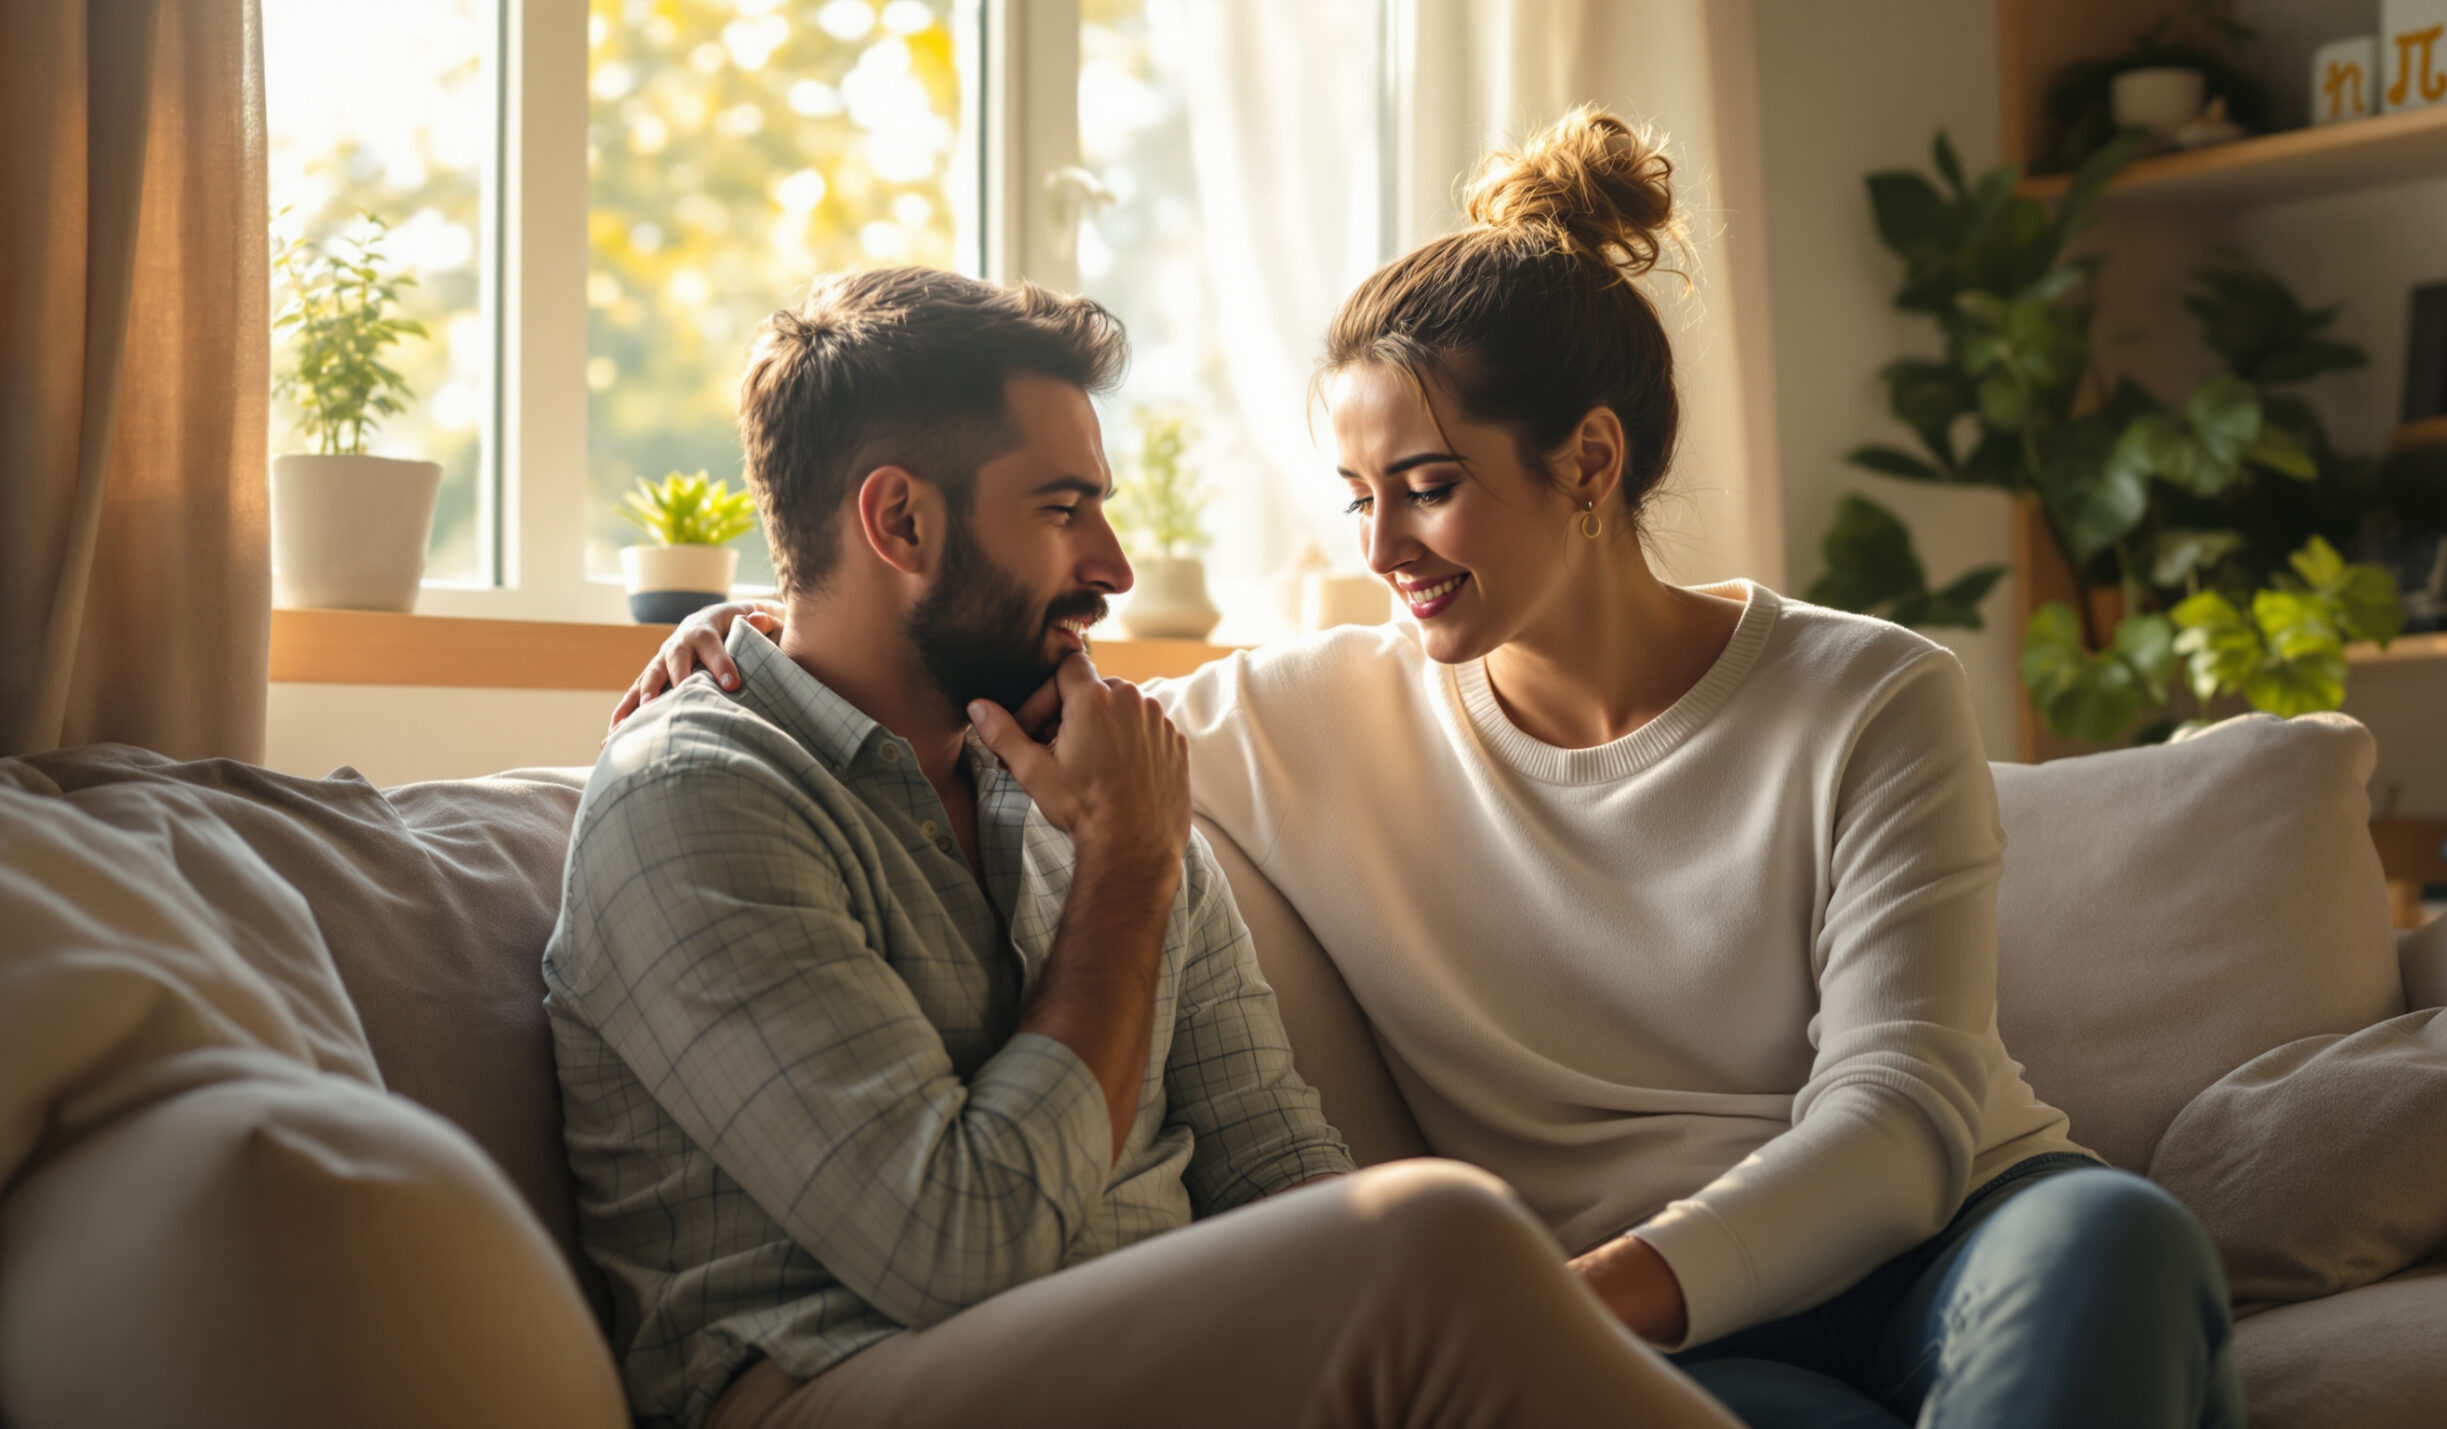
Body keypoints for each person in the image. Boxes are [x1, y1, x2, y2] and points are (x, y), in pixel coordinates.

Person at [627, 111, 2244, 1429]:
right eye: (1355, 496)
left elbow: (1902, 1121)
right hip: (1652, 1325)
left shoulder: (1867, 691)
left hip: (1924, 1236)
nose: (1384, 546)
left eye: (1428, 485)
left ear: (1591, 461)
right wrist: (768, 620)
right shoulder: (1291, 716)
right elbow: (948, 649)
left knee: (2118, 1238)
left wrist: (1552, 1302)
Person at [547, 265, 1744, 1429]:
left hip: (1160, 1363)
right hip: (843, 1379)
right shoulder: (695, 803)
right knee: (1441, 1231)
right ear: (899, 519)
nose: (1113, 567)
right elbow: (958, 1251)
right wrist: (1124, 871)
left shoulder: (1085, 767)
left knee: (1428, 1242)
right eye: (1065, 510)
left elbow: (1278, 1165)